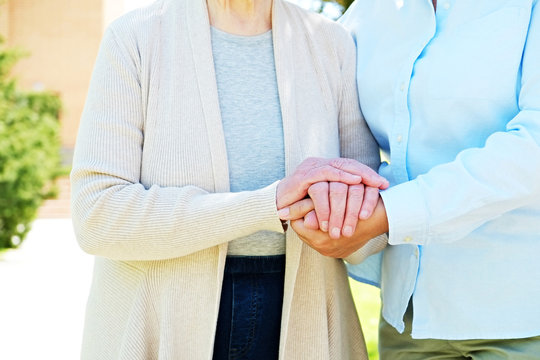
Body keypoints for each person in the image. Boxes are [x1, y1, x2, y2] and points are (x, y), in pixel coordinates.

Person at [70, 0, 389, 359]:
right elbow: (96, 216)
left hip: (303, 315)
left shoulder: (332, 42)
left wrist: (341, 220)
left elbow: (367, 223)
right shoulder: (135, 37)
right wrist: (267, 205)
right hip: (160, 315)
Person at [282, 0, 540, 358]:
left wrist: (389, 212)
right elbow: (337, 124)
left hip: (523, 318)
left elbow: (532, 150)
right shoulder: (368, 14)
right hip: (408, 320)